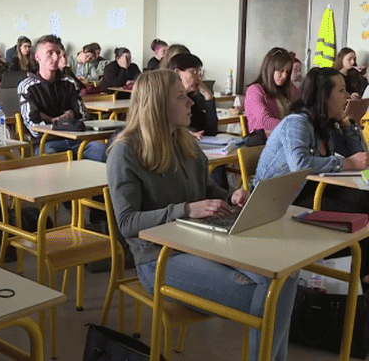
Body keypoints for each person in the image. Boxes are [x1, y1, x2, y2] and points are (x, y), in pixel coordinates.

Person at [106, 69, 296, 361]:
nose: (191, 102)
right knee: (269, 296)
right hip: (159, 258)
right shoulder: (126, 151)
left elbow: (207, 189)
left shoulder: (185, 141)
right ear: (157, 104)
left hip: (204, 241)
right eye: (181, 97)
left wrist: (230, 196)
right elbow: (127, 223)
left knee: (286, 272)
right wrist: (185, 210)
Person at [255, 66, 369, 286]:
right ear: (323, 96)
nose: (347, 96)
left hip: (312, 188)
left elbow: (359, 156)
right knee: (359, 218)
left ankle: (359, 274)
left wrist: (348, 123)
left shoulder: (326, 123)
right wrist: (347, 163)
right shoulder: (296, 122)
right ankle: (353, 280)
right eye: (342, 91)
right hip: (284, 198)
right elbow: (300, 164)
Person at [19, 35, 107, 162]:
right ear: (37, 57)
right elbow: (35, 128)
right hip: (47, 143)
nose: (56, 57)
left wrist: (49, 119)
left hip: (76, 140)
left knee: (107, 151)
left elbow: (82, 117)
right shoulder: (27, 86)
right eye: (50, 53)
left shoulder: (69, 82)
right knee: (54, 159)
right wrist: (66, 118)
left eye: (58, 53)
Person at [244, 47, 293, 135]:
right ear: (270, 69)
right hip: (262, 145)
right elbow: (264, 121)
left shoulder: (281, 91)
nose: (284, 76)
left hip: (282, 139)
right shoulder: (254, 90)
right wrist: (291, 126)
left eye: (287, 72)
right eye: (281, 71)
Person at [167, 53, 217, 137]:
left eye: (199, 73)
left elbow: (211, 132)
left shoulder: (192, 98)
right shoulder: (166, 99)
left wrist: (208, 96)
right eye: (194, 72)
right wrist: (187, 134)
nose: (199, 78)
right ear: (177, 72)